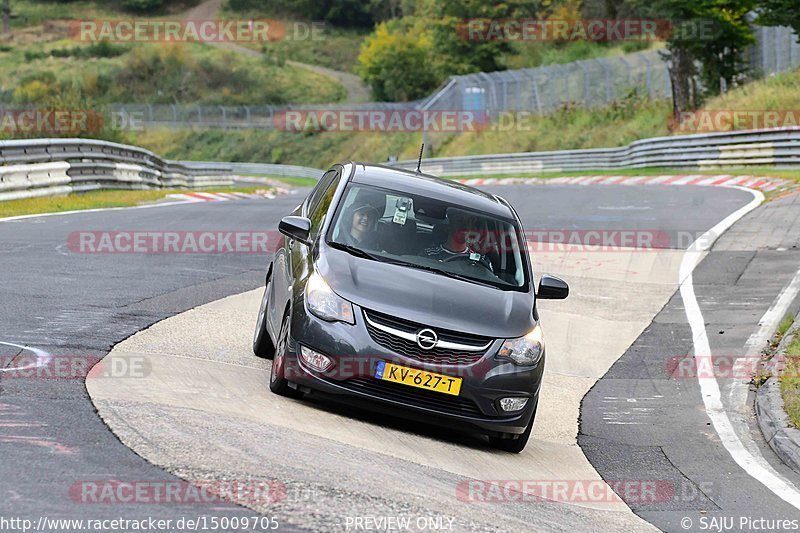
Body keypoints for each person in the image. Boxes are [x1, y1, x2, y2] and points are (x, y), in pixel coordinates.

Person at [424, 208, 494, 272]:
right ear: (449, 225)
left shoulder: (481, 260)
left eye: (469, 221)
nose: (465, 225)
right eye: (460, 220)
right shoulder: (429, 255)